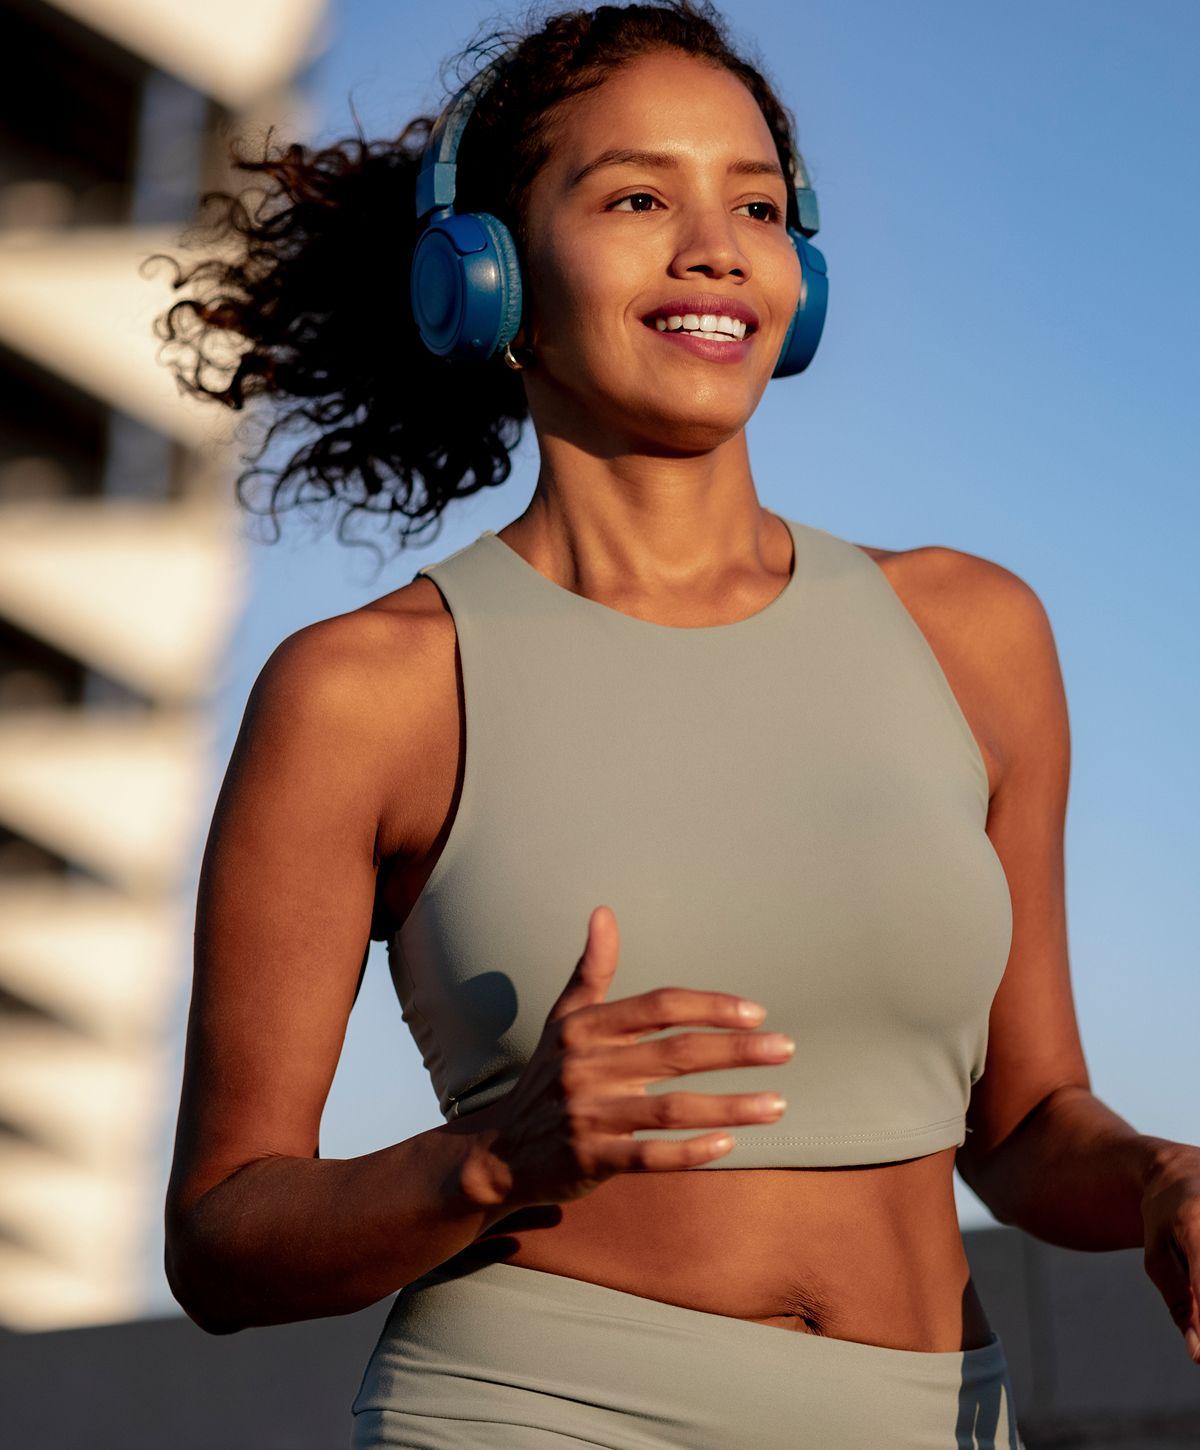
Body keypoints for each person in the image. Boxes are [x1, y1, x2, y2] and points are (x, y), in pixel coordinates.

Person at [158, 3, 1200, 1447]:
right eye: (638, 196)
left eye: (757, 205)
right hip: (532, 1412)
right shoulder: (367, 690)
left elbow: (1024, 1126)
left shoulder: (975, 633)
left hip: (940, 1414)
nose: (714, 243)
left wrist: (1156, 1174)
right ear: (489, 273)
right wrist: (482, 1161)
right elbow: (220, 1239)